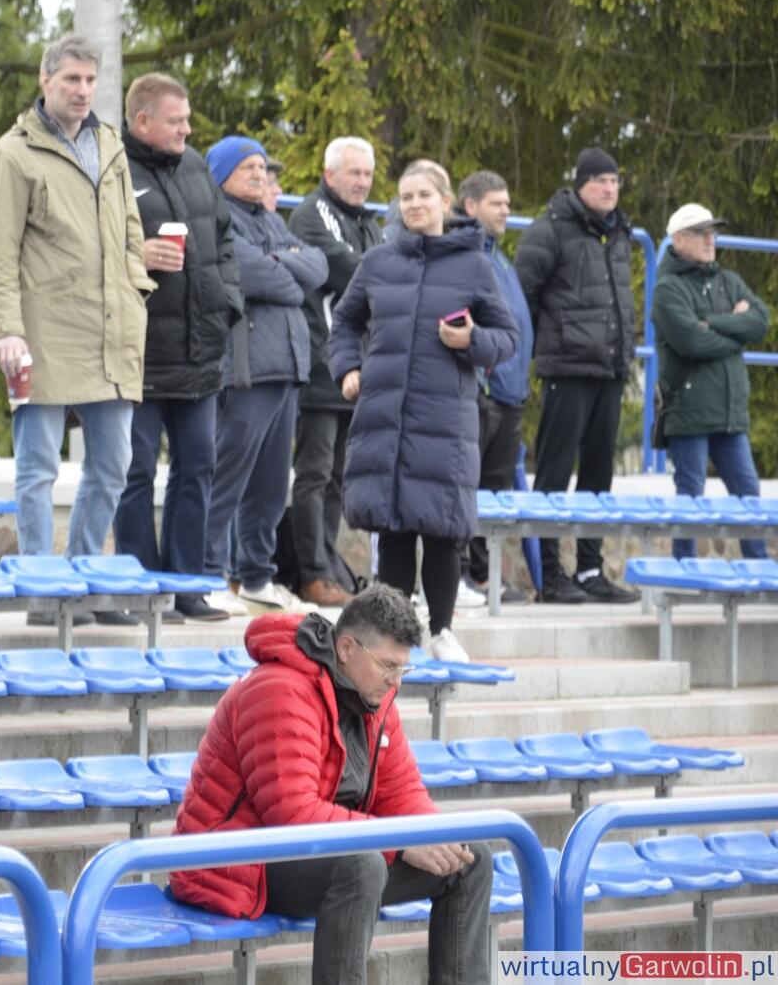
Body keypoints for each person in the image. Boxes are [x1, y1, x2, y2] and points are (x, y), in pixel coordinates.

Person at [171, 586, 492, 985]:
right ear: (346, 648)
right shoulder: (279, 689)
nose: (396, 682)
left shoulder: (376, 698)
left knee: (469, 859)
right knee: (361, 864)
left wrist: (431, 837)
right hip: (236, 862)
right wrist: (400, 843)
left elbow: (401, 791)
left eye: (403, 669)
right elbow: (292, 815)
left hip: (327, 855)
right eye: (388, 666)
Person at [0, 34, 155, 627]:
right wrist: (7, 330)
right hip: (42, 335)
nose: (83, 91)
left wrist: (136, 288)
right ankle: (42, 592)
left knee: (114, 465)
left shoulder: (110, 144)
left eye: (90, 80)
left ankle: (83, 585)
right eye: (71, 80)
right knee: (38, 470)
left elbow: (130, 229)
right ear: (45, 79)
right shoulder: (13, 153)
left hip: (111, 331)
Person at [328, 161, 517, 662]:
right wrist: (347, 368)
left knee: (441, 531)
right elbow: (344, 323)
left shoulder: (474, 266)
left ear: (445, 203)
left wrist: (471, 340)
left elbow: (508, 338)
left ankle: (442, 631)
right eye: (406, 196)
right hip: (384, 416)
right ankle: (393, 639)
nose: (413, 204)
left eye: (423, 196)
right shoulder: (377, 261)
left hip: (444, 422)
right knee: (393, 530)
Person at [111, 74, 239, 624]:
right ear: (142, 121)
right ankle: (142, 591)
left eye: (187, 119)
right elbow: (89, 250)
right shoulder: (112, 170)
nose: (187, 129)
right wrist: (137, 255)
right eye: (176, 120)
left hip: (199, 352)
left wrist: (228, 301)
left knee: (198, 469)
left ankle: (187, 589)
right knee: (135, 472)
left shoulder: (196, 166)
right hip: (138, 355)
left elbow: (226, 239)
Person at [204, 136, 327, 617]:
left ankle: (256, 576)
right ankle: (206, 573)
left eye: (263, 167)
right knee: (226, 478)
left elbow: (317, 267)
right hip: (246, 369)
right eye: (248, 167)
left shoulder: (272, 219)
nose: (260, 174)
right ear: (222, 175)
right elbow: (252, 273)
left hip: (287, 367)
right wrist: (288, 266)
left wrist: (284, 262)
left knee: (272, 486)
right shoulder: (218, 217)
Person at [515, 147, 639, 604]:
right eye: (600, 180)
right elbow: (522, 298)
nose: (609, 188)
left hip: (610, 368)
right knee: (552, 474)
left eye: (614, 181)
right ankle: (550, 575)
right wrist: (527, 359)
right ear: (581, 185)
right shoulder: (549, 230)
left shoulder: (618, 232)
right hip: (566, 367)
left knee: (598, 477)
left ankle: (589, 569)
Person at [287, 137, 383, 607]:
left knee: (339, 477)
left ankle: (328, 565)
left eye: (367, 174)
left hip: (355, 371)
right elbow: (356, 273)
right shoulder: (311, 214)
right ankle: (312, 573)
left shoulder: (368, 224)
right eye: (354, 173)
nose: (363, 182)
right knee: (314, 472)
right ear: (330, 175)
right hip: (320, 366)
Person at [653, 203, 770, 560]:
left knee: (748, 497)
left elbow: (760, 322)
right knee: (690, 498)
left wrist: (712, 323)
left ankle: (759, 571)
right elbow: (692, 341)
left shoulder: (729, 281)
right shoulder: (668, 289)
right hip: (689, 412)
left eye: (712, 232)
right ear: (678, 239)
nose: (710, 239)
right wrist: (735, 332)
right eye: (700, 232)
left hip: (730, 414)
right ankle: (683, 570)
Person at [456, 172, 535, 604]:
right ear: (470, 206)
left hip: (511, 394)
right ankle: (461, 573)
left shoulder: (499, 257)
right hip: (483, 391)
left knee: (494, 489)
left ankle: (486, 575)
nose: (506, 210)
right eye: (496, 203)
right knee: (466, 487)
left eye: (507, 203)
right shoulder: (466, 254)